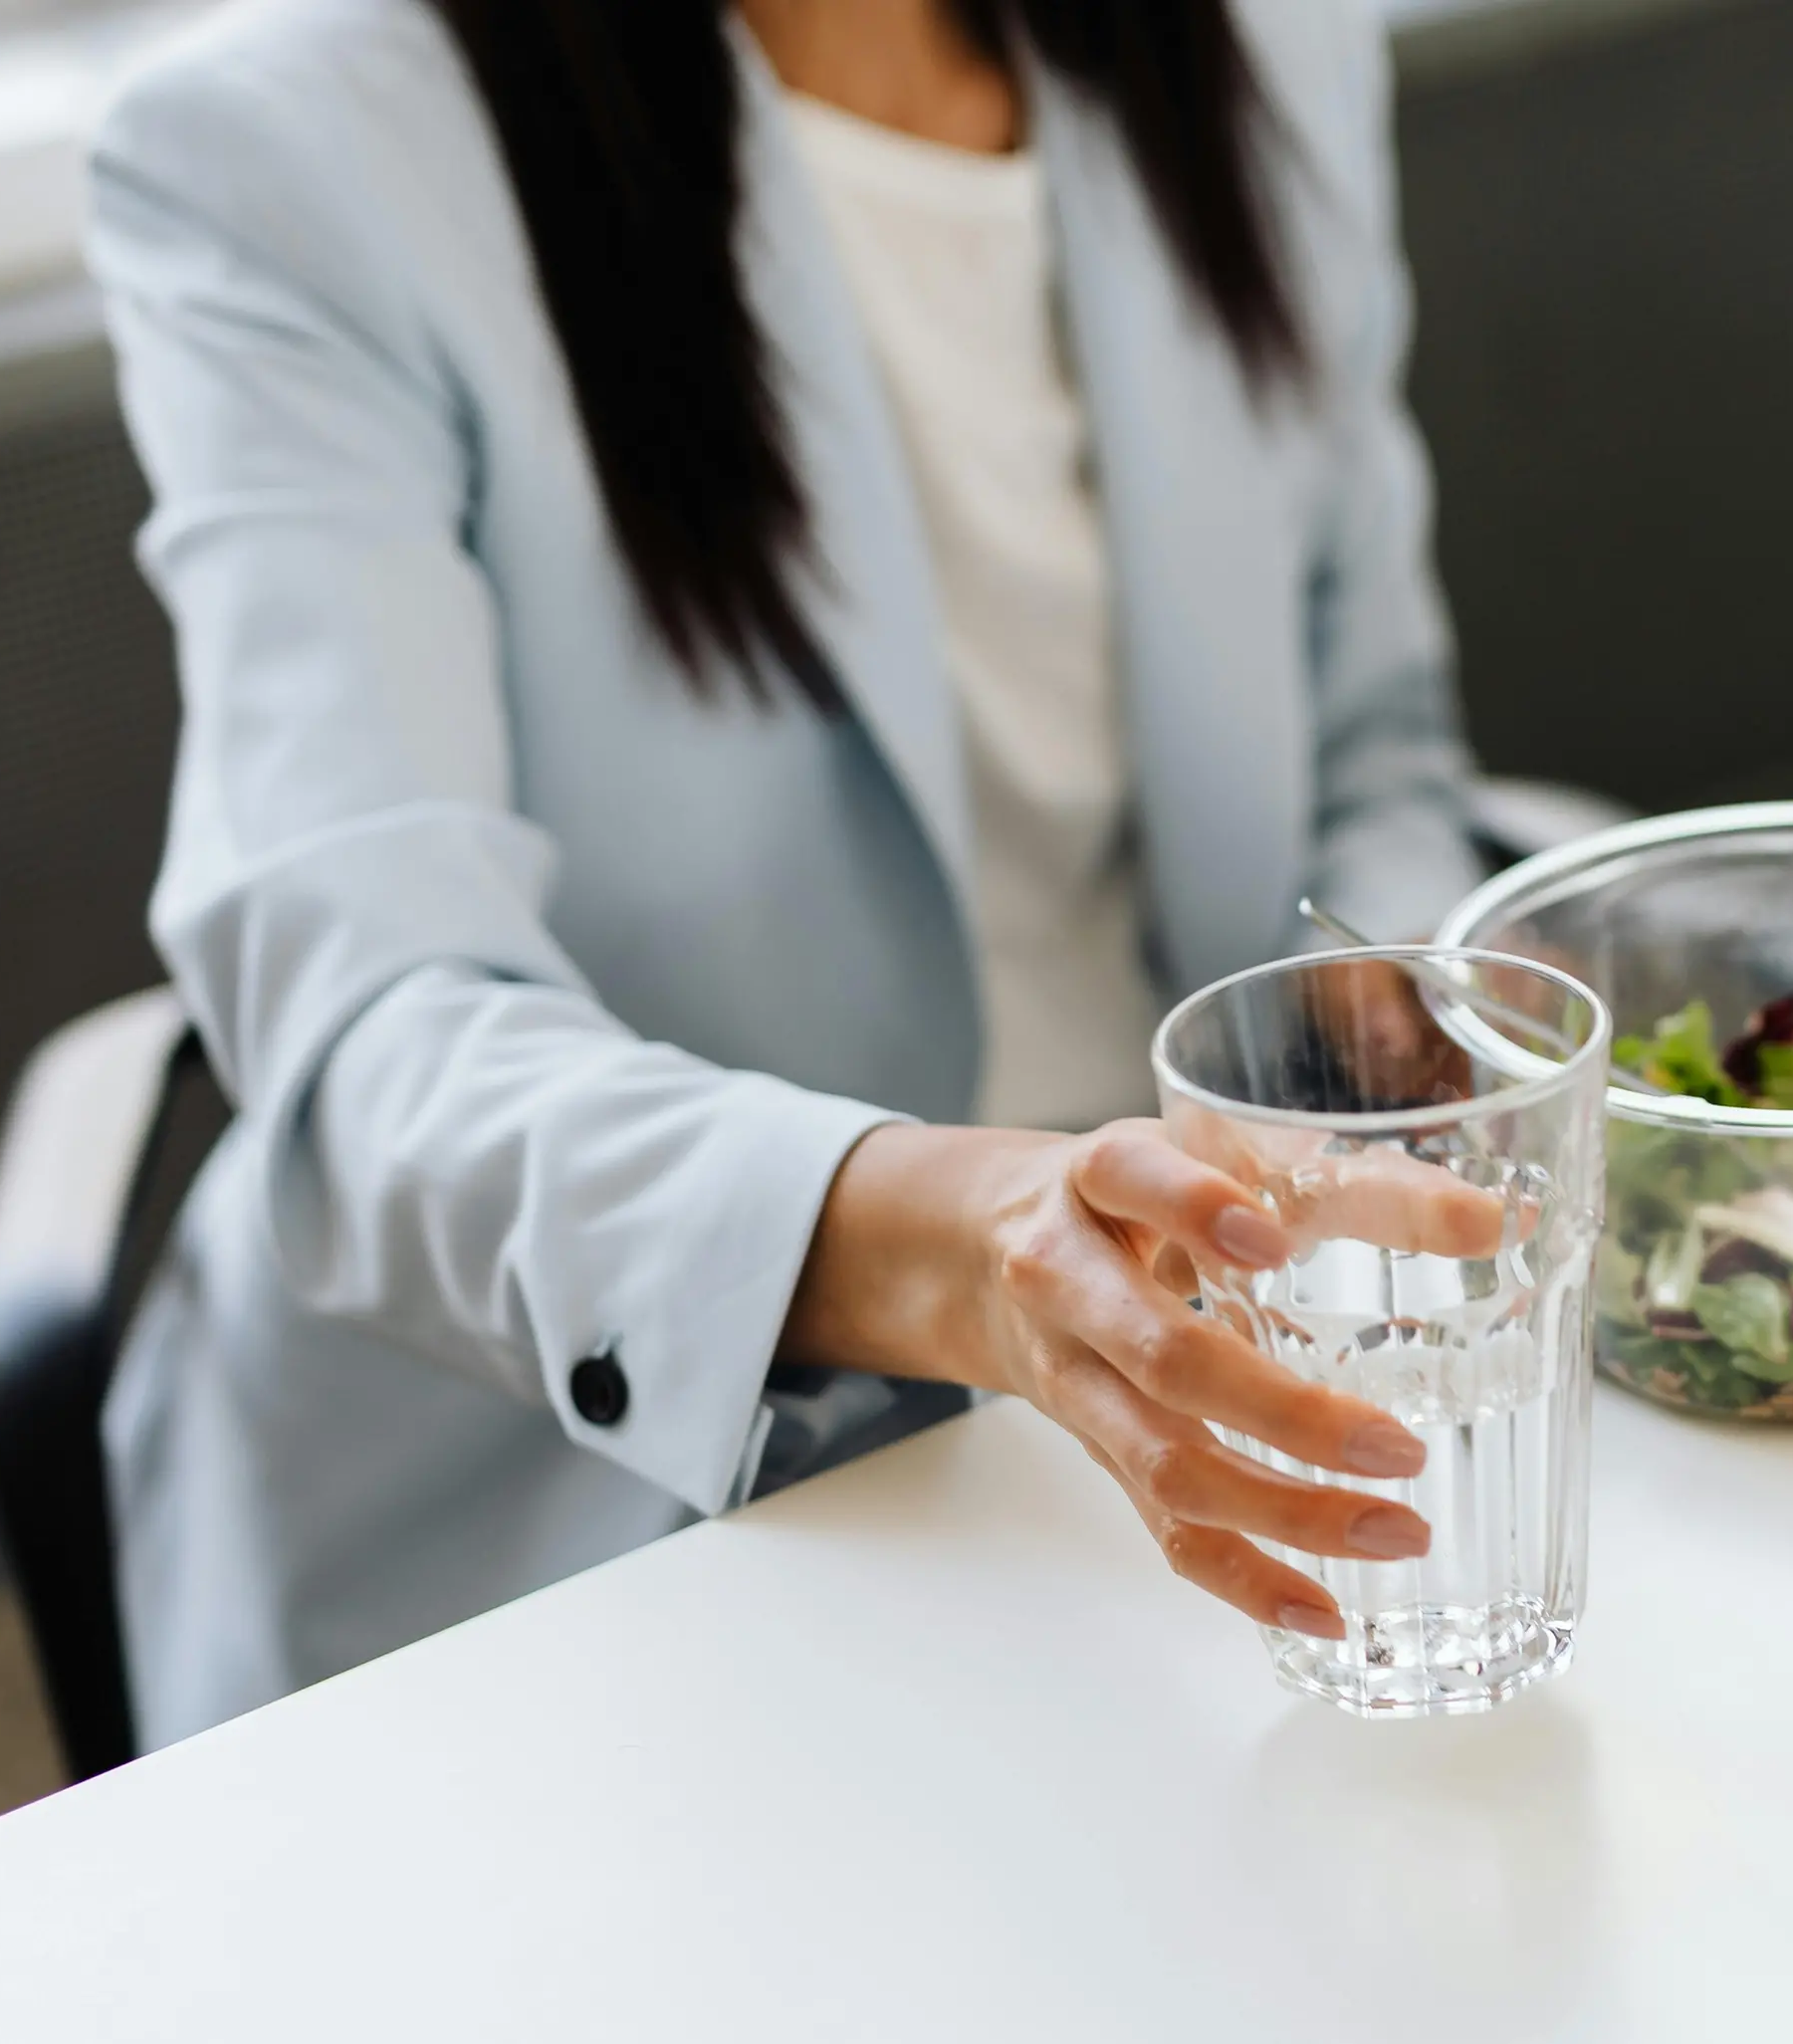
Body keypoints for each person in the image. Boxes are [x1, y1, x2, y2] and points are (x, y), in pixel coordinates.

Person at [89, 0, 1485, 1747]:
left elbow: (1378, 741)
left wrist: (1385, 989)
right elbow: (368, 1027)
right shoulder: (298, 155)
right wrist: (957, 1242)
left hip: (1199, 1364)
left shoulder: (1269, 50)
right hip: (597, 1480)